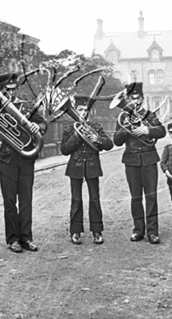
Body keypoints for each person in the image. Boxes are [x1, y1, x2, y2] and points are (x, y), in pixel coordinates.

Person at [0, 73, 47, 253]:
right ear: (1, 90)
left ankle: (26, 237)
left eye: (13, 89)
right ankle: (13, 239)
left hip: (26, 158)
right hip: (7, 158)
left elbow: (43, 125)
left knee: (26, 199)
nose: (10, 93)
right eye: (6, 90)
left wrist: (37, 127)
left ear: (17, 88)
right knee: (10, 201)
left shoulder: (27, 107)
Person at [113, 82, 166, 244]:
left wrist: (146, 130)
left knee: (151, 197)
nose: (134, 101)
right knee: (135, 197)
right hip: (131, 161)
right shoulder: (122, 117)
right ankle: (138, 230)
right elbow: (116, 141)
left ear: (142, 99)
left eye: (136, 98)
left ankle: (152, 232)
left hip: (149, 160)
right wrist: (126, 127)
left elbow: (162, 131)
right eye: (130, 99)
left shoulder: (149, 115)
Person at [60, 95, 113, 245]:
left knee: (94, 199)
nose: (83, 112)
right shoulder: (70, 128)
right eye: (80, 109)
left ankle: (97, 231)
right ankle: (75, 231)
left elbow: (109, 144)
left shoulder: (95, 127)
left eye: (86, 110)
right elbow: (64, 149)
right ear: (75, 110)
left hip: (92, 165)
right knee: (76, 200)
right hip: (75, 165)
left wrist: (98, 140)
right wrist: (77, 135)